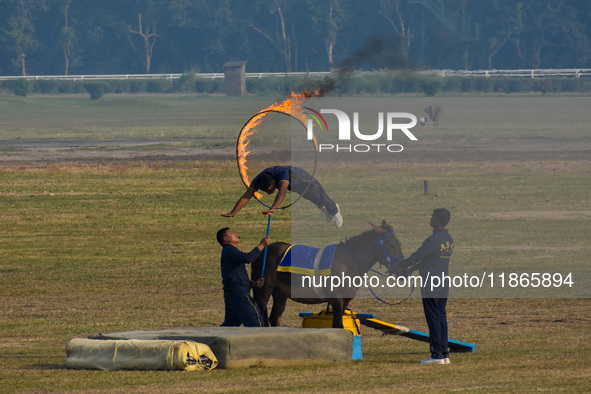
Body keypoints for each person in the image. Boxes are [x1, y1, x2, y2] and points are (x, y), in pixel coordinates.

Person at [391, 208, 454, 365]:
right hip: (443, 281)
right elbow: (430, 260)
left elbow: (416, 257)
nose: (430, 218)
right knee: (441, 317)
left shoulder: (433, 240)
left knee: (432, 317)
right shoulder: (448, 239)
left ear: (438, 220)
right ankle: (444, 353)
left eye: (432, 216)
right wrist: (412, 269)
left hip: (431, 283)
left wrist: (399, 265)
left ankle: (436, 355)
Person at [222, 166, 343, 228]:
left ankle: (334, 209)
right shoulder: (258, 179)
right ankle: (326, 208)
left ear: (274, 182)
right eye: (265, 191)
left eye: (269, 190)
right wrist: (233, 212)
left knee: (318, 192)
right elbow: (246, 196)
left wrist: (273, 209)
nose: (268, 193)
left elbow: (282, 193)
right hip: (292, 184)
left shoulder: (282, 175)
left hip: (299, 177)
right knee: (310, 196)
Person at [217, 227, 270, 327]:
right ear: (225, 239)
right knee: (256, 324)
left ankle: (210, 342)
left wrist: (253, 283)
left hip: (232, 295)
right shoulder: (229, 250)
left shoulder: (230, 251)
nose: (235, 233)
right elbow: (247, 258)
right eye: (231, 233)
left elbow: (235, 276)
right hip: (240, 295)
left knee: (230, 325)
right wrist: (262, 245)